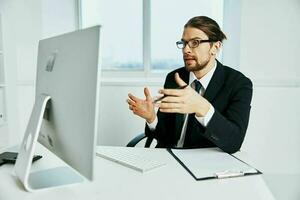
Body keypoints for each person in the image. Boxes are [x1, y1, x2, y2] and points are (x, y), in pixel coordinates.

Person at [127, 16, 253, 154]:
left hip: (203, 165)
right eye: (184, 43)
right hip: (168, 160)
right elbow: (163, 137)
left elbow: (234, 142)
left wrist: (202, 108)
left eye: (195, 42)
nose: (186, 50)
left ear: (215, 47)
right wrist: (151, 118)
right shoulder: (174, 78)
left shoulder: (239, 84)